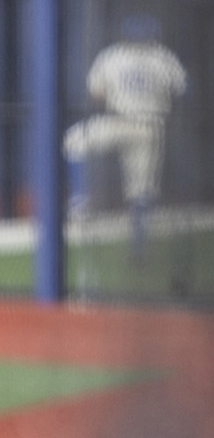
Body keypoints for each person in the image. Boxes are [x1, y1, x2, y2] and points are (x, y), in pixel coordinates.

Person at [63, 14, 187, 260]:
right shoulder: (163, 56)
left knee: (73, 140)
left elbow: (95, 93)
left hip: (118, 120)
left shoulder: (112, 55)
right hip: (150, 126)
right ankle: (138, 246)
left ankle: (80, 203)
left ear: (123, 36)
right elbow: (184, 90)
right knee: (141, 190)